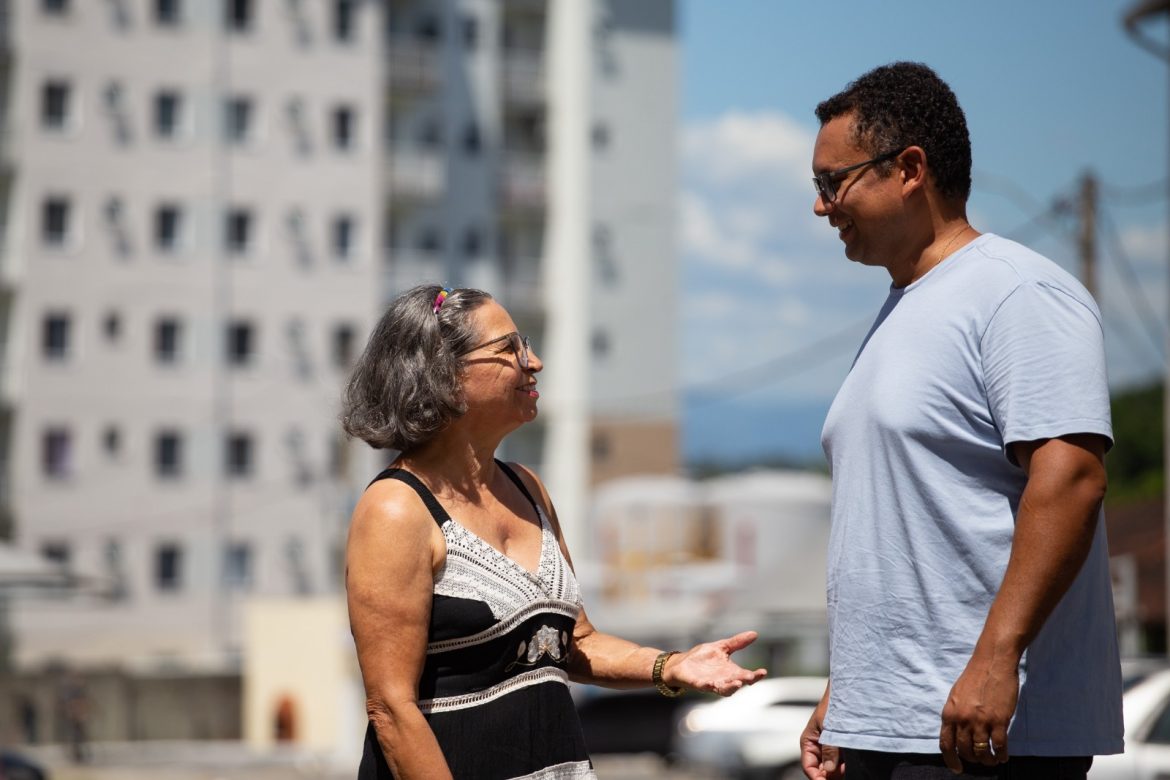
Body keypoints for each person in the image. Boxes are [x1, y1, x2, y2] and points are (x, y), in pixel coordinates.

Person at [799, 62, 1123, 780]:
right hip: (898, 724)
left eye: (833, 182)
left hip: (983, 732)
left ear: (909, 168)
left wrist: (995, 659)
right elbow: (902, 527)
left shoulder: (1017, 293)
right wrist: (850, 691)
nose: (822, 207)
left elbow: (1070, 478)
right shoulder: (904, 308)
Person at [342, 285, 766, 780]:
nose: (535, 361)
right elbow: (392, 709)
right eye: (510, 349)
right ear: (445, 375)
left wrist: (669, 667)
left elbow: (572, 641)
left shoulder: (528, 487)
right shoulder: (395, 508)